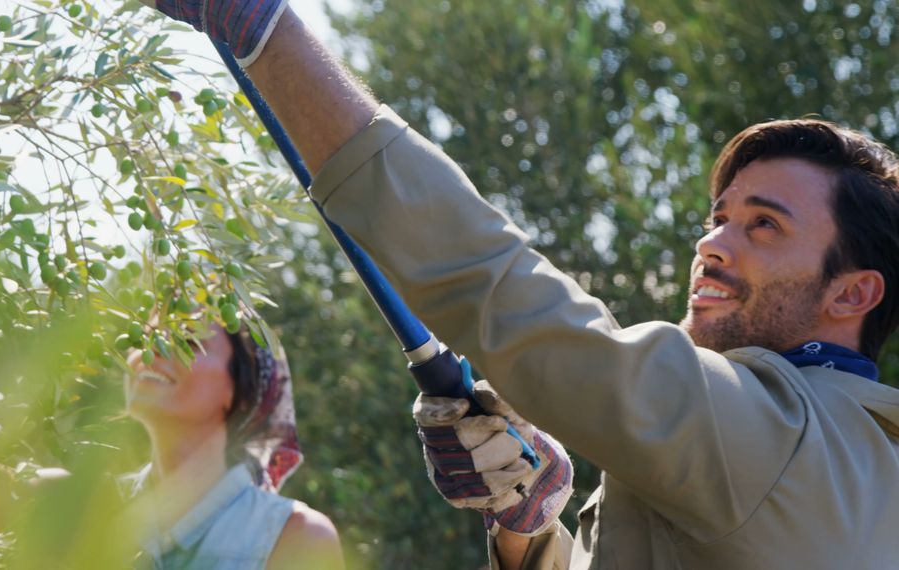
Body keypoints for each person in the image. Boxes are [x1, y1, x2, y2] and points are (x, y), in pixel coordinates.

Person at [140, 2, 899, 569]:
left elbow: (509, 296)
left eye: (763, 225)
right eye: (719, 218)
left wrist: (262, 31)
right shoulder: (811, 466)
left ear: (852, 293)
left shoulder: (791, 435)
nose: (711, 244)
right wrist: (529, 529)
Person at [124, 322, 344, 569]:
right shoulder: (86, 509)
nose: (153, 349)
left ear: (239, 392)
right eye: (145, 337)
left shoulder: (299, 539)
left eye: (189, 342)